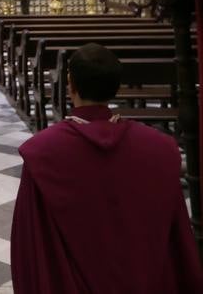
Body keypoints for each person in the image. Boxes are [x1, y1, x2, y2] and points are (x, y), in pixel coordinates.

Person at [11, 43, 203, 293]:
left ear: (71, 86)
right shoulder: (159, 148)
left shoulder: (43, 151)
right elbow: (177, 239)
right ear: (116, 87)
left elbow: (31, 243)